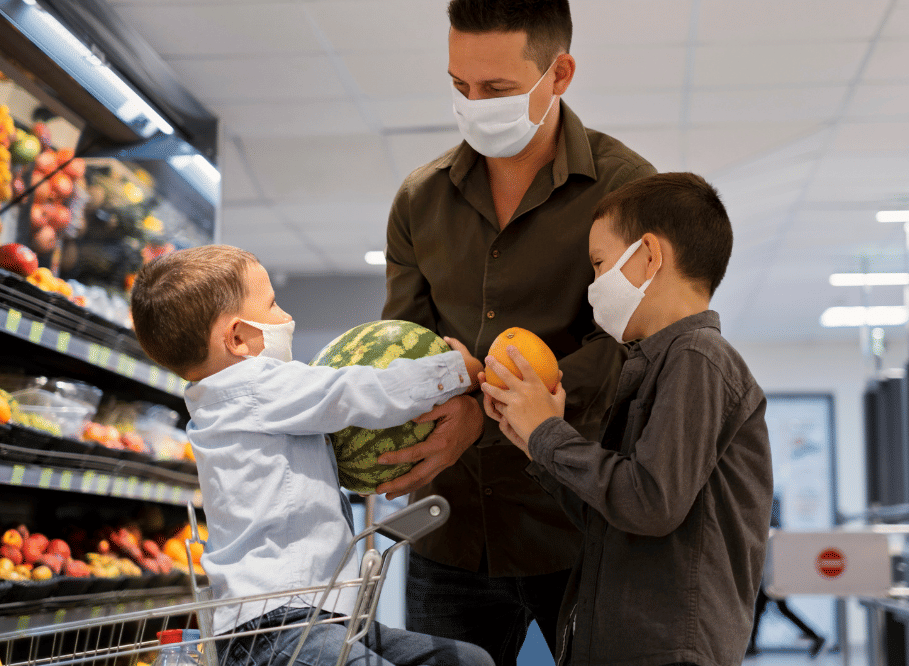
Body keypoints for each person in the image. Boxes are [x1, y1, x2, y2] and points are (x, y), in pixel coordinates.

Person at [379, 0, 656, 663]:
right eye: (460, 87)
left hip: (579, 526)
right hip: (446, 529)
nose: (474, 105)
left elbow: (636, 351)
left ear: (559, 73)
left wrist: (491, 408)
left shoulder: (629, 193)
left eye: (497, 89)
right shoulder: (421, 200)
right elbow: (403, 347)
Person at [129, 245, 493, 666]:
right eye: (271, 304)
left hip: (315, 617)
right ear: (237, 338)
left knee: (468, 661)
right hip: (275, 628)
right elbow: (355, 390)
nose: (287, 317)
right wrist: (453, 371)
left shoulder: (224, 404)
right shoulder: (253, 388)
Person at [480, 172, 774, 665]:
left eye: (599, 265)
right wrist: (534, 441)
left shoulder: (698, 357)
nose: (595, 285)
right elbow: (609, 517)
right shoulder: (655, 364)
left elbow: (650, 503)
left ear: (650, 256)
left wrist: (548, 434)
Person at [748, 495, 826, 657]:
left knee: (772, 610)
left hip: (771, 579)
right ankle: (814, 636)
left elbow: (771, 558)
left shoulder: (772, 530)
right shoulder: (774, 528)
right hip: (772, 578)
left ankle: (815, 636)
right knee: (769, 610)